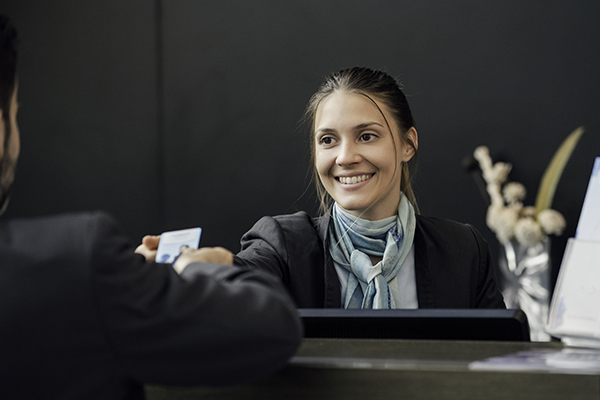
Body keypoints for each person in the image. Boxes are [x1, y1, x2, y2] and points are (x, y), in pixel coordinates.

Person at [0, 14, 301, 400]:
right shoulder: (77, 261)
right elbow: (271, 327)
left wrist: (132, 285)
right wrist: (201, 270)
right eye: (14, 112)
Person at [140, 66, 505, 310]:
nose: (345, 157)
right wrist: (207, 266)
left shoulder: (464, 251)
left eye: (366, 136)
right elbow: (242, 281)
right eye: (328, 140)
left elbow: (499, 367)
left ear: (408, 144)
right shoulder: (281, 244)